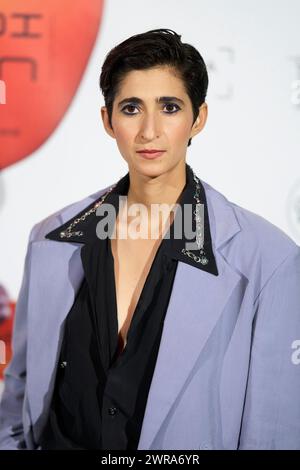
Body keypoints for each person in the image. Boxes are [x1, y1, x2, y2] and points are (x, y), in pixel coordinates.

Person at [0, 28, 300, 451]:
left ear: (198, 118)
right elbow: (20, 396)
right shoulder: (51, 239)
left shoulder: (268, 260)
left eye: (170, 107)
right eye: (131, 108)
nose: (149, 130)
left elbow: (272, 434)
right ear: (108, 121)